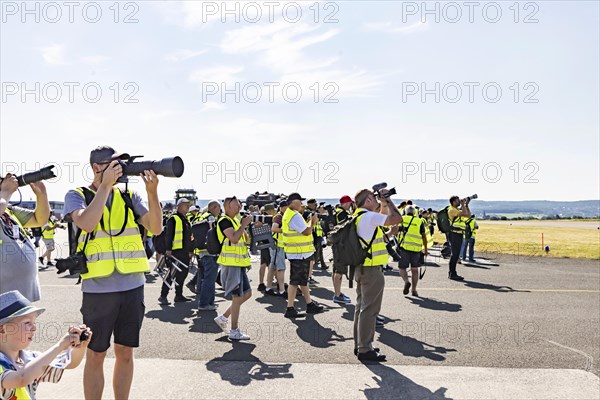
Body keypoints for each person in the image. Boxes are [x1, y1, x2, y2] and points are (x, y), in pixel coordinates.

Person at [64, 146, 162, 400]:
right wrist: (105, 186)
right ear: (97, 167)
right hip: (98, 288)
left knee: (126, 352)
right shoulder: (77, 195)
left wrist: (152, 193)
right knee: (95, 354)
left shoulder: (129, 195)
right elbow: (86, 223)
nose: (120, 168)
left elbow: (156, 227)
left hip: (132, 286)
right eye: (113, 164)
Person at [0, 290, 90, 400]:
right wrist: (60, 345)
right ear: (3, 330)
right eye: (27, 323)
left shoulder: (31, 359)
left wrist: (79, 347)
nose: (34, 328)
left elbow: (71, 364)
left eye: (34, 323)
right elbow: (21, 379)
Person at [352, 188, 403, 362]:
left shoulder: (359, 216)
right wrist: (388, 201)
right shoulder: (369, 217)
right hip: (372, 269)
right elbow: (397, 218)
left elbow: (378, 220)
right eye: (373, 197)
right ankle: (365, 349)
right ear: (367, 201)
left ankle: (360, 345)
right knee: (370, 309)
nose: (376, 199)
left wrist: (381, 203)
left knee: (361, 307)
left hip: (361, 268)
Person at [0, 173, 49, 302]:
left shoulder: (8, 211)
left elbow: (40, 219)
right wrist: (6, 191)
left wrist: (41, 194)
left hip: (22, 292)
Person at [213, 196, 253, 341]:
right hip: (231, 264)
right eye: (237, 205)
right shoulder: (224, 221)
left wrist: (244, 226)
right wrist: (243, 225)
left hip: (239, 264)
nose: (240, 207)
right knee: (237, 297)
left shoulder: (235, 220)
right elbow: (234, 239)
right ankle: (234, 330)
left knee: (247, 294)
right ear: (228, 207)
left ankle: (224, 318)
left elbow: (246, 240)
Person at [282, 193, 324, 318]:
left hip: (298, 253)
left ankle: (309, 304)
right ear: (293, 201)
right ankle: (290, 308)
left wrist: (309, 222)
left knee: (302, 280)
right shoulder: (294, 215)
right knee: (295, 281)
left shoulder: (291, 214)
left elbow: (301, 229)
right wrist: (313, 222)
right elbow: (306, 231)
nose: (301, 203)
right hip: (299, 253)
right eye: (299, 201)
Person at [158, 198, 194, 305]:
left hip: (184, 252)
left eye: (188, 205)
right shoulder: (173, 219)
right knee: (171, 274)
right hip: (174, 252)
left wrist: (190, 250)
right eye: (185, 205)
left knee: (182, 274)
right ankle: (163, 296)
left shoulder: (185, 219)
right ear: (178, 206)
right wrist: (168, 249)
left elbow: (190, 237)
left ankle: (179, 295)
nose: (188, 207)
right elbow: (168, 236)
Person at [196, 200, 222, 311]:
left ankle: (209, 302)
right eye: (219, 208)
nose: (220, 211)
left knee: (207, 278)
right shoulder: (211, 218)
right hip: (210, 251)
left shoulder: (202, 216)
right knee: (209, 279)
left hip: (202, 251)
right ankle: (204, 303)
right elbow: (215, 234)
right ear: (214, 207)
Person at [397, 205, 428, 297]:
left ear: (405, 211)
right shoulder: (419, 221)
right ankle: (414, 290)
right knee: (415, 270)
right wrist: (425, 249)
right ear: (415, 212)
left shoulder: (402, 219)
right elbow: (424, 236)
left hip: (404, 248)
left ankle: (406, 281)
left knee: (402, 268)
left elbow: (396, 231)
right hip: (416, 249)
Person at [332, 195, 354, 305]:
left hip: (337, 244)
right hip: (341, 245)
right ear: (345, 203)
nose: (351, 205)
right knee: (339, 270)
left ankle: (337, 292)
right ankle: (337, 295)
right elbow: (346, 228)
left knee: (336, 269)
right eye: (350, 203)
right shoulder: (343, 214)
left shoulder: (337, 211)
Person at [447, 195, 471, 280]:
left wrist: (466, 205)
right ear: (453, 202)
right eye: (458, 200)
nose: (459, 201)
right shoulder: (452, 210)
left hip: (459, 234)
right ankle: (452, 273)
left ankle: (453, 273)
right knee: (455, 254)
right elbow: (464, 213)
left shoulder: (457, 210)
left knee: (456, 255)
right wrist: (463, 205)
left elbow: (468, 215)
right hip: (454, 234)